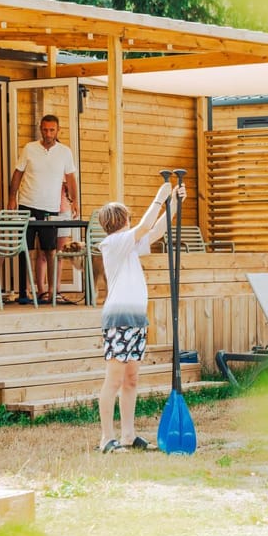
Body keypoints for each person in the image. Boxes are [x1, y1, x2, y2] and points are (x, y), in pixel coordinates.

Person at [95, 179, 186, 453]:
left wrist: (174, 203)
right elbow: (146, 225)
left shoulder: (129, 244)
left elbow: (156, 230)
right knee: (113, 380)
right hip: (119, 321)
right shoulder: (113, 243)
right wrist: (160, 196)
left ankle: (128, 435)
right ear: (123, 220)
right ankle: (106, 439)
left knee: (131, 379)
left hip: (135, 320)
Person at [7, 115, 79, 303]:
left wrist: (75, 201)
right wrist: (11, 198)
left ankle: (52, 291)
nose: (48, 134)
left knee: (50, 250)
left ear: (58, 130)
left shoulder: (65, 152)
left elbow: (71, 178)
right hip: (27, 203)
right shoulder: (30, 148)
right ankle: (28, 291)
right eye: (45, 130)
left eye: (52, 130)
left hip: (50, 207)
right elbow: (18, 173)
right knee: (26, 249)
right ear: (41, 129)